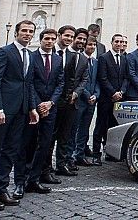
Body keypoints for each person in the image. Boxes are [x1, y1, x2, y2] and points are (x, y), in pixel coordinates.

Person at [0, 20, 39, 211]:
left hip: (21, 111)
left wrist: (32, 108)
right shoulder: (4, 52)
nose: (27, 34)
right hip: (3, 110)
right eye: (24, 31)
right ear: (16, 33)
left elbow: (28, 84)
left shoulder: (29, 55)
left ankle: (1, 188)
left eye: (30, 31)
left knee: (11, 150)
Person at [14, 28, 63, 198]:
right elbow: (28, 83)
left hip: (50, 109)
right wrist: (37, 104)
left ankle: (34, 179)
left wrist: (50, 103)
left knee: (45, 144)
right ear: (41, 39)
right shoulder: (31, 57)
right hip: (32, 109)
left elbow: (60, 83)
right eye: (46, 38)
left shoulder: (57, 59)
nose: (49, 42)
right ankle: (20, 181)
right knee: (26, 145)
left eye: (52, 39)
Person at [52, 26, 89, 177]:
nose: (81, 41)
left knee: (65, 135)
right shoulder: (54, 52)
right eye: (78, 38)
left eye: (84, 39)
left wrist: (75, 93)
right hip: (54, 101)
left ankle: (61, 164)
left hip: (70, 101)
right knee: (49, 136)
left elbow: (81, 79)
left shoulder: (78, 58)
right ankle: (45, 166)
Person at [92, 33, 127, 164]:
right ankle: (96, 154)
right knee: (101, 125)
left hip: (119, 99)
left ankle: (110, 152)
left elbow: (126, 78)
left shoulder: (124, 58)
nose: (119, 44)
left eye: (121, 42)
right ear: (112, 43)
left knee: (113, 126)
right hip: (106, 98)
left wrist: (121, 91)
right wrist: (113, 92)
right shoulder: (104, 57)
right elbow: (102, 77)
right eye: (116, 41)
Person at [73, 37, 99, 167]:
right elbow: (79, 81)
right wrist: (88, 95)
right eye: (89, 44)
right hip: (81, 100)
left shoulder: (95, 61)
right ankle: (72, 155)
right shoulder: (80, 59)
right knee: (75, 128)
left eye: (94, 45)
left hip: (92, 101)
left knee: (85, 129)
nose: (92, 47)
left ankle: (80, 154)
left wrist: (96, 95)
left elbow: (98, 80)